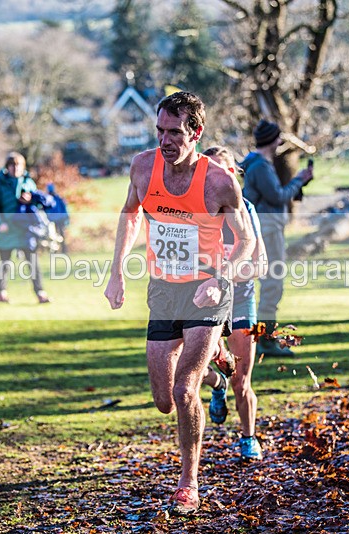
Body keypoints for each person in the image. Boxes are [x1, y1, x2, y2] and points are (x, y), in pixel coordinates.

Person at [104, 91, 256, 515]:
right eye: (160, 131)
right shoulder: (142, 167)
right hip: (163, 290)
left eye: (174, 132)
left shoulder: (219, 182)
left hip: (207, 289)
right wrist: (116, 271)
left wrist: (222, 279)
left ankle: (188, 483)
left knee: (184, 388)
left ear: (196, 132)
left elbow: (245, 240)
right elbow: (131, 214)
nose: (164, 140)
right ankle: (216, 371)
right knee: (164, 400)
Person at [201, 146, 268, 461]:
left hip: (240, 298)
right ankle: (217, 384)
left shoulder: (246, 209)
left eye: (225, 170)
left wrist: (227, 275)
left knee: (242, 380)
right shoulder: (195, 210)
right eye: (210, 171)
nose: (219, 177)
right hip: (205, 301)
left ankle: (248, 438)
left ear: (234, 174)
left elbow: (261, 264)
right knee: (196, 367)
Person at [241, 119, 313, 357]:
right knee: (272, 285)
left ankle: (261, 339)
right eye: (278, 137)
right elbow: (278, 196)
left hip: (266, 228)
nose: (281, 141)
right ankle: (265, 342)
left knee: (269, 286)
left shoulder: (256, 164)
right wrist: (299, 180)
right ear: (272, 140)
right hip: (269, 229)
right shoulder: (261, 166)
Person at [0, 152, 50, 304]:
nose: (15, 168)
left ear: (23, 167)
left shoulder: (29, 182)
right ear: (7, 167)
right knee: (4, 263)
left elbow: (38, 205)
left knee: (33, 262)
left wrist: (31, 200)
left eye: (18, 165)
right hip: (7, 229)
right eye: (12, 165)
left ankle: (40, 292)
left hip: (25, 229)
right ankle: (0, 293)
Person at [45, 183, 70, 254]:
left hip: (60, 219)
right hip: (51, 220)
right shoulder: (46, 198)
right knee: (52, 236)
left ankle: (64, 250)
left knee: (61, 235)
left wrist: (66, 217)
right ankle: (54, 251)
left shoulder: (59, 198)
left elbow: (64, 209)